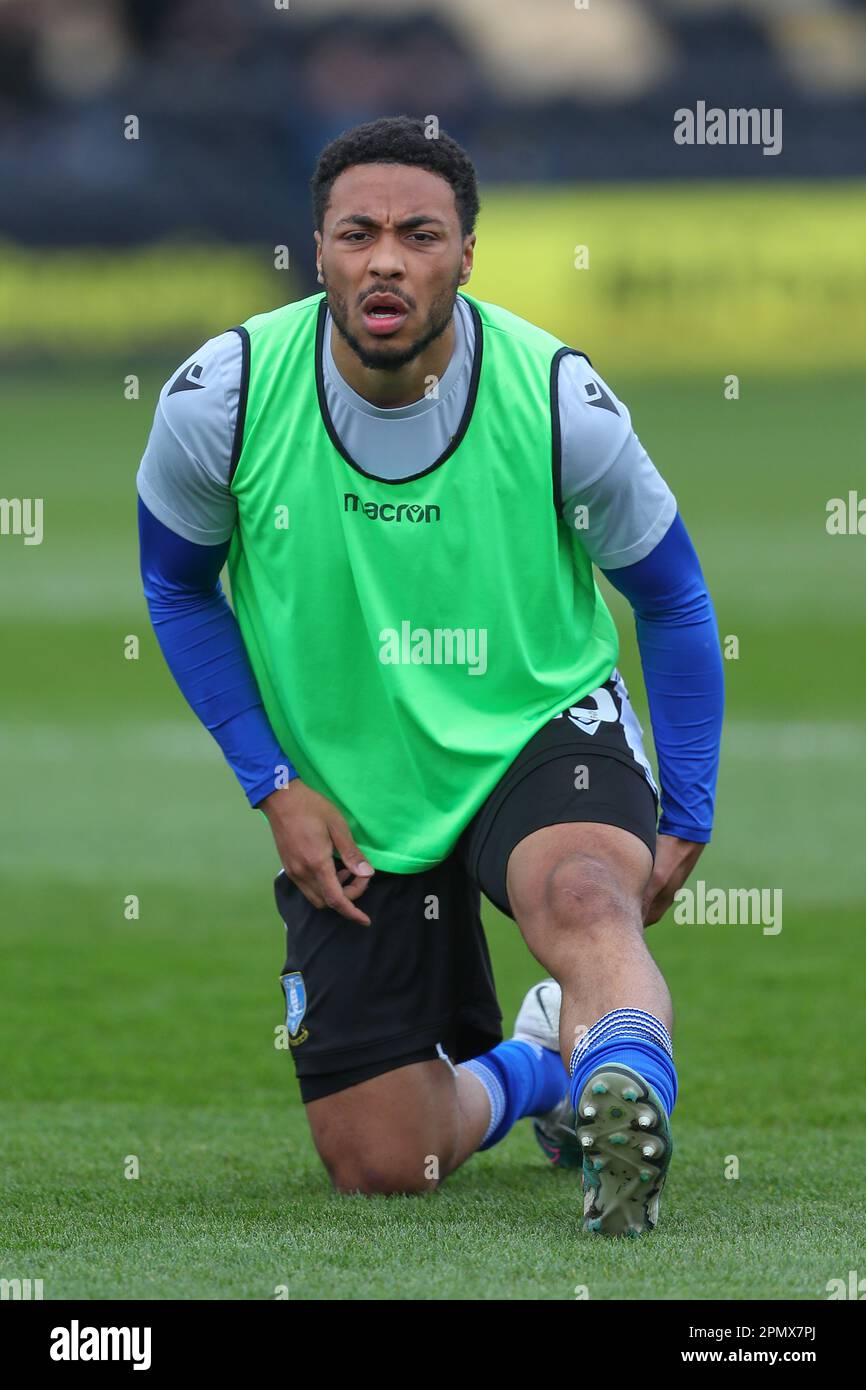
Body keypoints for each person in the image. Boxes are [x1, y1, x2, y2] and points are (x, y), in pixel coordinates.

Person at [137, 115, 724, 1236]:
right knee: (381, 1160)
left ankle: (628, 1119)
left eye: (419, 234)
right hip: (351, 782)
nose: (387, 259)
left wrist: (686, 804)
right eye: (359, 234)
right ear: (318, 249)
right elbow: (177, 588)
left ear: (464, 254)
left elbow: (671, 596)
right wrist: (271, 782)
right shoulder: (221, 397)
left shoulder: (555, 399)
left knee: (586, 896)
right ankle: (549, 1066)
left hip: (536, 727)